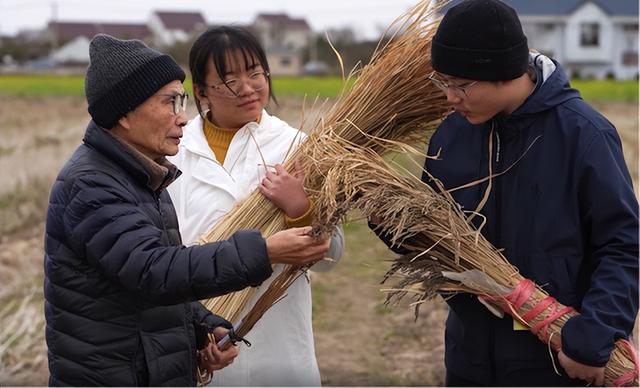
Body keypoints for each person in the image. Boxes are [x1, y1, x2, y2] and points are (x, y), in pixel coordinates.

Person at [43, 34, 331, 386]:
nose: (181, 118)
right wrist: (266, 250)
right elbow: (155, 271)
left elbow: (153, 280)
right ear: (124, 115)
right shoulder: (93, 185)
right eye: (170, 103)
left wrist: (204, 327)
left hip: (244, 350)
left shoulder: (147, 174)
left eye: (255, 73)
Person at [417, 0, 639, 386]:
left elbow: (622, 245)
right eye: (442, 82)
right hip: (468, 357)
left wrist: (593, 336)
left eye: (460, 85)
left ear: (504, 71)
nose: (449, 97)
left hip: (553, 360)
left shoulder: (583, 135)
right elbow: (430, 230)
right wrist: (387, 218)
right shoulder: (451, 134)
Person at [167, 26, 344, 386]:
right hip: (200, 338)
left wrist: (301, 208)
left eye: (255, 72)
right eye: (231, 80)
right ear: (201, 91)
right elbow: (162, 261)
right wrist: (197, 327)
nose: (248, 88)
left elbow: (333, 255)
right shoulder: (175, 152)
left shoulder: (298, 145)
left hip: (278, 339)